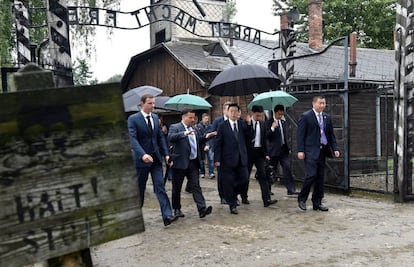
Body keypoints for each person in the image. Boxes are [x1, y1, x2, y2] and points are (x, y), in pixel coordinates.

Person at [127, 94, 177, 226]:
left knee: (160, 186)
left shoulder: (155, 118)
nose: (153, 106)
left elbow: (160, 137)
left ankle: (167, 215)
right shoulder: (133, 119)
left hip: (155, 159)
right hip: (141, 160)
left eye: (154, 103)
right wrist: (142, 154)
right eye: (150, 103)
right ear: (142, 104)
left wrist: (166, 154)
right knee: (140, 188)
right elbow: (133, 139)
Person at [296, 95, 340, 212]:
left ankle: (317, 202)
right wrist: (300, 150)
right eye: (320, 103)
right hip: (310, 151)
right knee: (311, 175)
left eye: (324, 103)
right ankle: (302, 199)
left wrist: (335, 148)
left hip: (322, 151)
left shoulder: (327, 117)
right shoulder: (306, 117)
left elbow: (331, 135)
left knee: (320, 177)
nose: (322, 105)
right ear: (314, 104)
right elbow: (300, 135)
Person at [168, 109, 213, 219]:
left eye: (194, 118)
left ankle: (202, 209)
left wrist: (206, 137)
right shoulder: (175, 127)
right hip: (180, 162)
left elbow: (196, 142)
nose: (193, 120)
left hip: (193, 162)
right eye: (190, 117)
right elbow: (170, 137)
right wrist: (184, 133)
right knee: (177, 187)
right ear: (183, 117)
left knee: (196, 186)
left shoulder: (195, 128)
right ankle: (177, 209)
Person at [214, 103, 250, 215]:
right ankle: (232, 205)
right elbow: (218, 143)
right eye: (231, 111)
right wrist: (217, 159)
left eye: (236, 111)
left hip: (241, 158)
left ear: (239, 113)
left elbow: (249, 138)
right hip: (227, 160)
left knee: (244, 179)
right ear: (228, 112)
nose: (234, 114)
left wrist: (249, 125)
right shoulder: (222, 126)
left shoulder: (242, 124)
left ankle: (234, 195)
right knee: (228, 183)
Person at [246, 105, 278, 207]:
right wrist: (248, 125)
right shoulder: (247, 123)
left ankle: (266, 199)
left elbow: (265, 140)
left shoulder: (263, 124)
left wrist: (267, 154)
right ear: (252, 113)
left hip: (260, 153)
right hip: (249, 153)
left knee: (263, 176)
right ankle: (243, 196)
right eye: (257, 116)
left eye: (261, 116)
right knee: (245, 176)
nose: (259, 117)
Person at [265, 104, 298, 196]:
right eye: (279, 114)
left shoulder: (283, 122)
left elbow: (285, 135)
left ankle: (291, 189)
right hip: (273, 151)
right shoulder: (269, 122)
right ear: (275, 113)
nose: (280, 116)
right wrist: (272, 128)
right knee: (272, 170)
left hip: (283, 150)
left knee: (287, 168)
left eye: (282, 114)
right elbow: (267, 137)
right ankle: (267, 189)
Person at [207, 101, 232, 204]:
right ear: (224, 110)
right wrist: (211, 147)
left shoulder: (235, 121)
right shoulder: (218, 121)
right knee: (221, 176)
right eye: (229, 109)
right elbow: (211, 135)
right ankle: (223, 196)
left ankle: (232, 196)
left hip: (232, 153)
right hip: (220, 153)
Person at [195, 113, 215, 179]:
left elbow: (212, 137)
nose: (207, 120)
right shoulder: (198, 126)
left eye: (208, 119)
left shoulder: (211, 126)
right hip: (201, 145)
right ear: (202, 119)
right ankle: (202, 172)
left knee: (211, 159)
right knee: (201, 160)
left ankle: (211, 172)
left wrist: (208, 145)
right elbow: (199, 137)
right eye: (206, 119)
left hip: (209, 144)